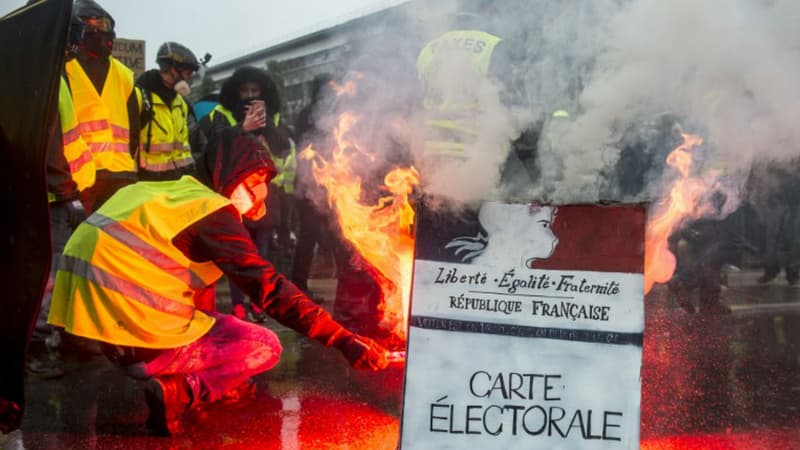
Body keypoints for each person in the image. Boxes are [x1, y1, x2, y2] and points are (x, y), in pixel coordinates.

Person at [47, 125, 390, 436]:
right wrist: (342, 339)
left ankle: (164, 370)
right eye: (254, 182)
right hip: (139, 337)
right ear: (229, 174)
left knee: (212, 324)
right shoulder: (211, 212)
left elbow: (193, 288)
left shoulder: (164, 194)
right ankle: (180, 391)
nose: (261, 195)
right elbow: (269, 288)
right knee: (264, 346)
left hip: (91, 329)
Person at [27, 4, 95, 380]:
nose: (76, 45)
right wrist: (66, 192)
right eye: (73, 37)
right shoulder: (46, 74)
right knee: (49, 274)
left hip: (58, 191)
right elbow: (49, 142)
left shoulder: (55, 73)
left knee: (54, 271)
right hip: (53, 197)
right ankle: (36, 348)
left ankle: (49, 340)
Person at [196, 66, 296, 320]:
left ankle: (258, 304)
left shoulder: (272, 118)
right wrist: (243, 127)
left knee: (261, 254)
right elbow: (212, 146)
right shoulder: (221, 115)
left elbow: (283, 151)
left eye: (255, 90)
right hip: (232, 194)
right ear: (235, 92)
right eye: (245, 91)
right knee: (236, 254)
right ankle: (238, 305)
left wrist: (268, 128)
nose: (250, 95)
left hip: (264, 196)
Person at [66, 0, 139, 213]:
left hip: (120, 175)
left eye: (100, 25)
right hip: (80, 179)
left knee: (116, 241)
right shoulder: (64, 69)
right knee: (81, 241)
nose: (95, 30)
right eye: (88, 25)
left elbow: (134, 127)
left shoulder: (124, 75)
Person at [290, 73, 337, 295]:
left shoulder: (337, 113)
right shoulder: (309, 115)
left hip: (333, 184)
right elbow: (306, 149)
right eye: (327, 88)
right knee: (308, 235)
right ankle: (298, 284)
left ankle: (342, 280)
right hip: (309, 185)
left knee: (339, 234)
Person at [135, 42, 199, 181]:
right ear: (174, 70)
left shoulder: (182, 103)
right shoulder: (140, 97)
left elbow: (191, 145)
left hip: (180, 183)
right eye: (187, 73)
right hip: (148, 186)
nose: (189, 78)